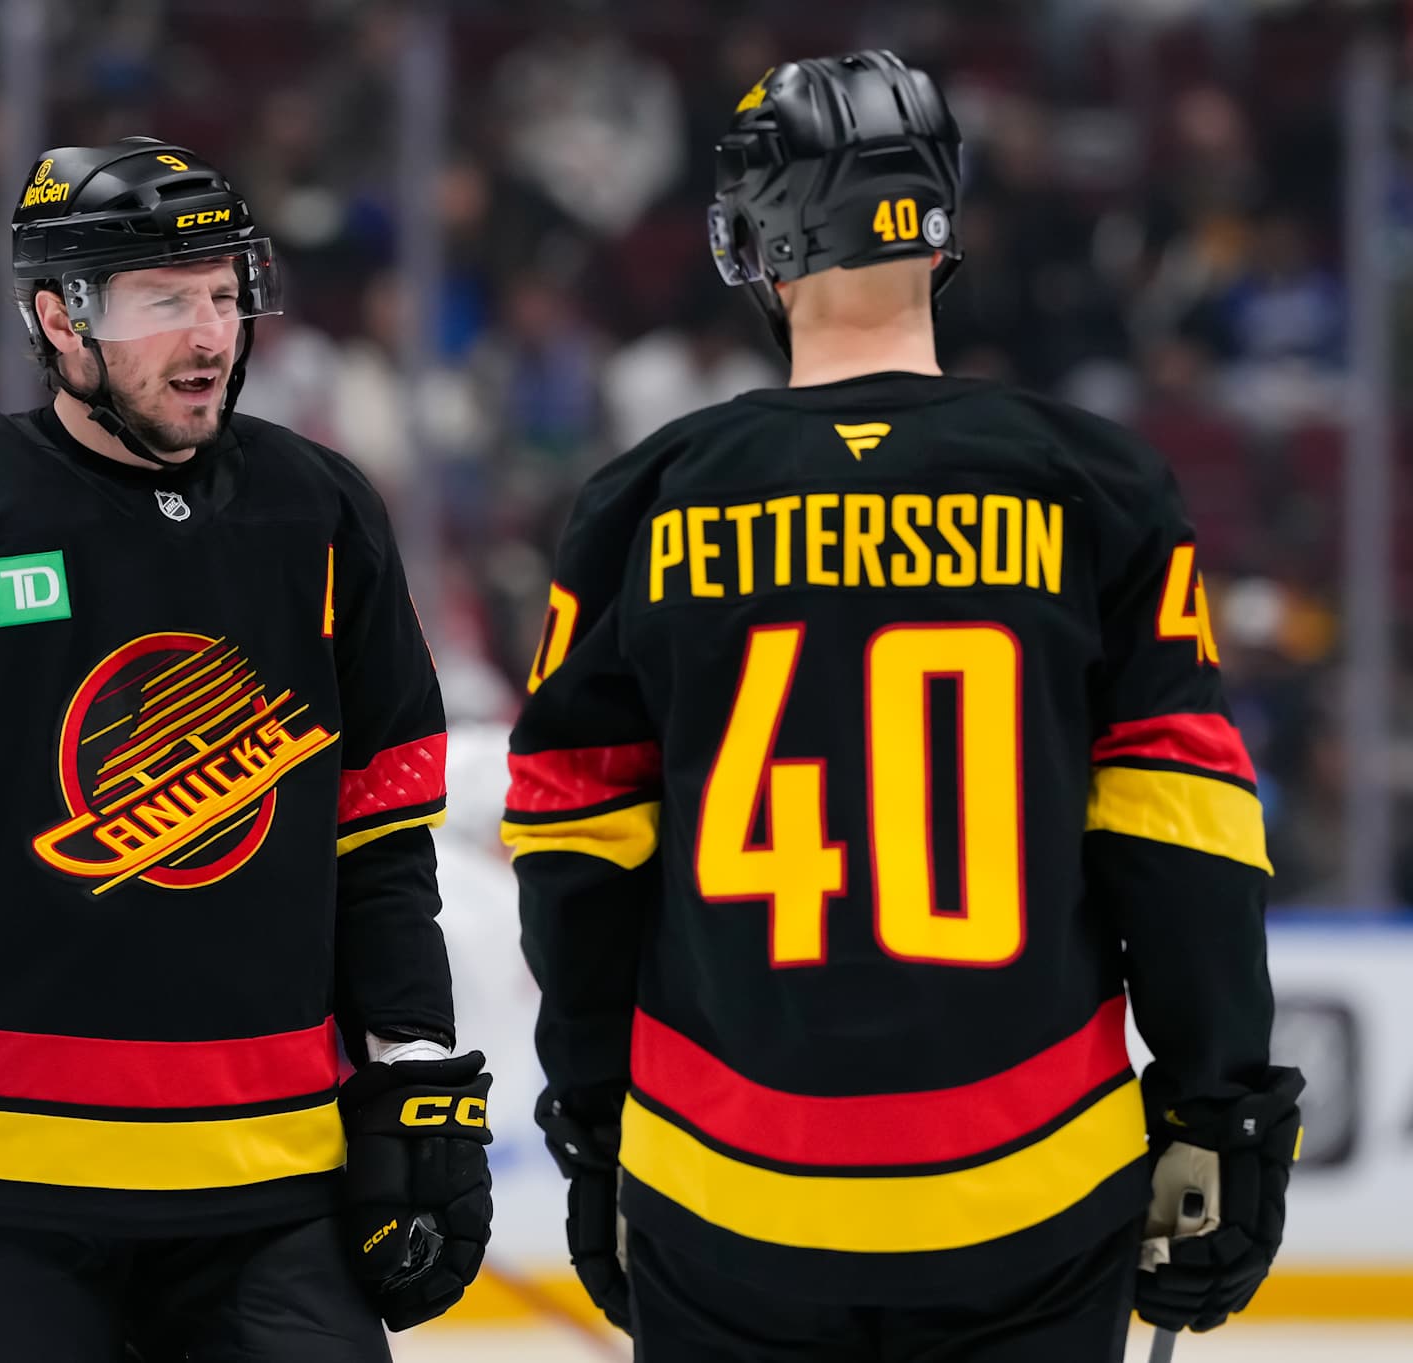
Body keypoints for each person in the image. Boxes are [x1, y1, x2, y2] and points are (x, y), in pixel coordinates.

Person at [504, 53, 1302, 1363]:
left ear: (757, 241)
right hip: (1035, 1188)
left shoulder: (643, 502)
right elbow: (1181, 828)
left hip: (727, 1193)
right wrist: (1224, 1103)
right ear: (938, 226)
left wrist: (594, 1121)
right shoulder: (1096, 486)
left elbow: (574, 849)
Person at [0, 137, 492, 1363]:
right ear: (59, 320)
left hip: (266, 1184)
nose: (211, 335)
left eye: (225, 293)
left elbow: (380, 846)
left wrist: (413, 1067)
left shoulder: (321, 517)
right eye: (163, 301)